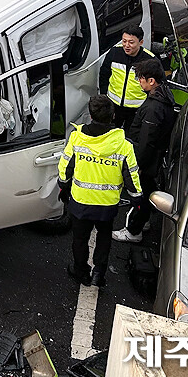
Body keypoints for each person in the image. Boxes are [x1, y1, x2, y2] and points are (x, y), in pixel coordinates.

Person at [59, 95, 143, 287]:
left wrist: (63, 186)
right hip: (107, 205)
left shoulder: (77, 138)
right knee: (104, 239)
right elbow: (132, 176)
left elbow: (65, 167)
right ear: (113, 116)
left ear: (90, 115)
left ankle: (81, 272)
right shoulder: (124, 145)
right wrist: (137, 199)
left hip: (80, 202)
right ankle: (99, 274)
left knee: (80, 239)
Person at [113, 58, 177, 243]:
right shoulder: (163, 97)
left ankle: (133, 230)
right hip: (153, 158)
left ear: (152, 81)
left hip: (146, 160)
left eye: (141, 78)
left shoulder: (153, 108)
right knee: (148, 190)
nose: (139, 82)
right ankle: (144, 221)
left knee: (138, 195)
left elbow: (147, 139)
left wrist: (138, 165)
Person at [98, 25, 154, 131]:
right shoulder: (114, 53)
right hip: (113, 105)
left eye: (131, 42)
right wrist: (105, 98)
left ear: (141, 42)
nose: (126, 45)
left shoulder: (150, 60)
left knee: (131, 137)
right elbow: (104, 76)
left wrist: (146, 108)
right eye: (124, 41)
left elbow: (155, 86)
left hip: (137, 109)